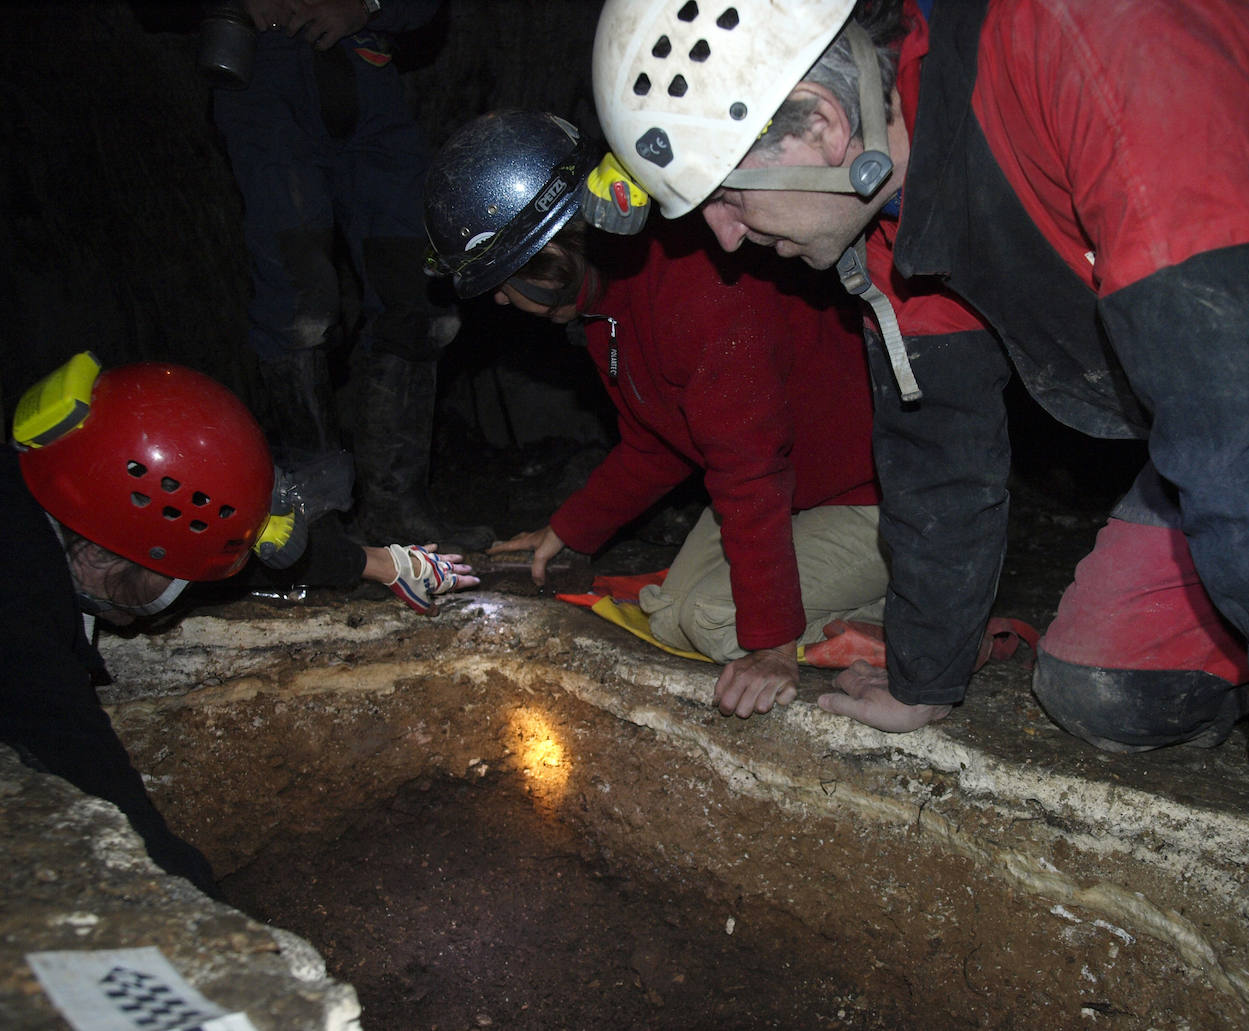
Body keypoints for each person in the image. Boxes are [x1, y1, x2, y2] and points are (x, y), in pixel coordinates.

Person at [589, 0, 1249, 930]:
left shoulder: (1096, 47)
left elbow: (1243, 438)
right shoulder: (895, 209)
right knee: (1103, 690)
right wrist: (926, 677)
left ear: (820, 123)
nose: (722, 237)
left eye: (725, 194)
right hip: (1239, 415)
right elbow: (940, 453)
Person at [423, 109, 890, 718]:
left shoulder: (697, 289)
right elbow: (657, 443)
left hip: (871, 496)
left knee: (718, 623)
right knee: (671, 615)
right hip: (798, 492)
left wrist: (774, 645)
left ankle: (925, 615)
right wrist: (566, 530)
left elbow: (749, 471)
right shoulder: (606, 312)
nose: (506, 301)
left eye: (509, 281)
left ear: (557, 247)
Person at [1, 353, 477, 895]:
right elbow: (111, 812)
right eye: (179, 575)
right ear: (107, 558)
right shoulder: (19, 628)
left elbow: (212, 553)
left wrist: (382, 562)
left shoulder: (70, 495)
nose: (196, 585)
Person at [207, 0, 488, 546]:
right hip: (264, 80)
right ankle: (316, 521)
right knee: (298, 301)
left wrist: (363, 7)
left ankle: (395, 507)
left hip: (368, 84)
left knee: (417, 288)